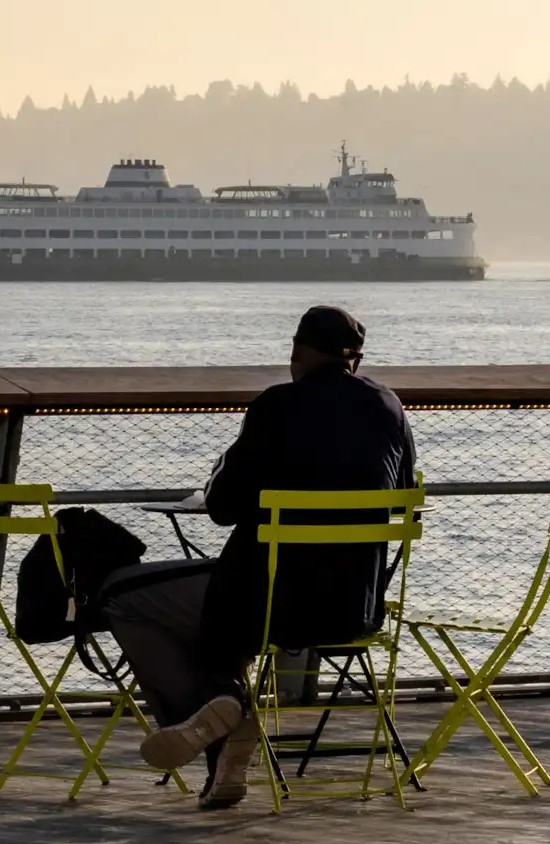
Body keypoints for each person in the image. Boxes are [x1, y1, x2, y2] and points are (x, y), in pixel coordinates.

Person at [105, 304, 417, 812]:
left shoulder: (278, 405)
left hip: (264, 604)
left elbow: (223, 508)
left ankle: (220, 714)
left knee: (124, 596)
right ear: (355, 361)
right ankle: (226, 730)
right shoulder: (390, 407)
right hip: (355, 608)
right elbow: (402, 495)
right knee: (220, 612)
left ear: (297, 352)